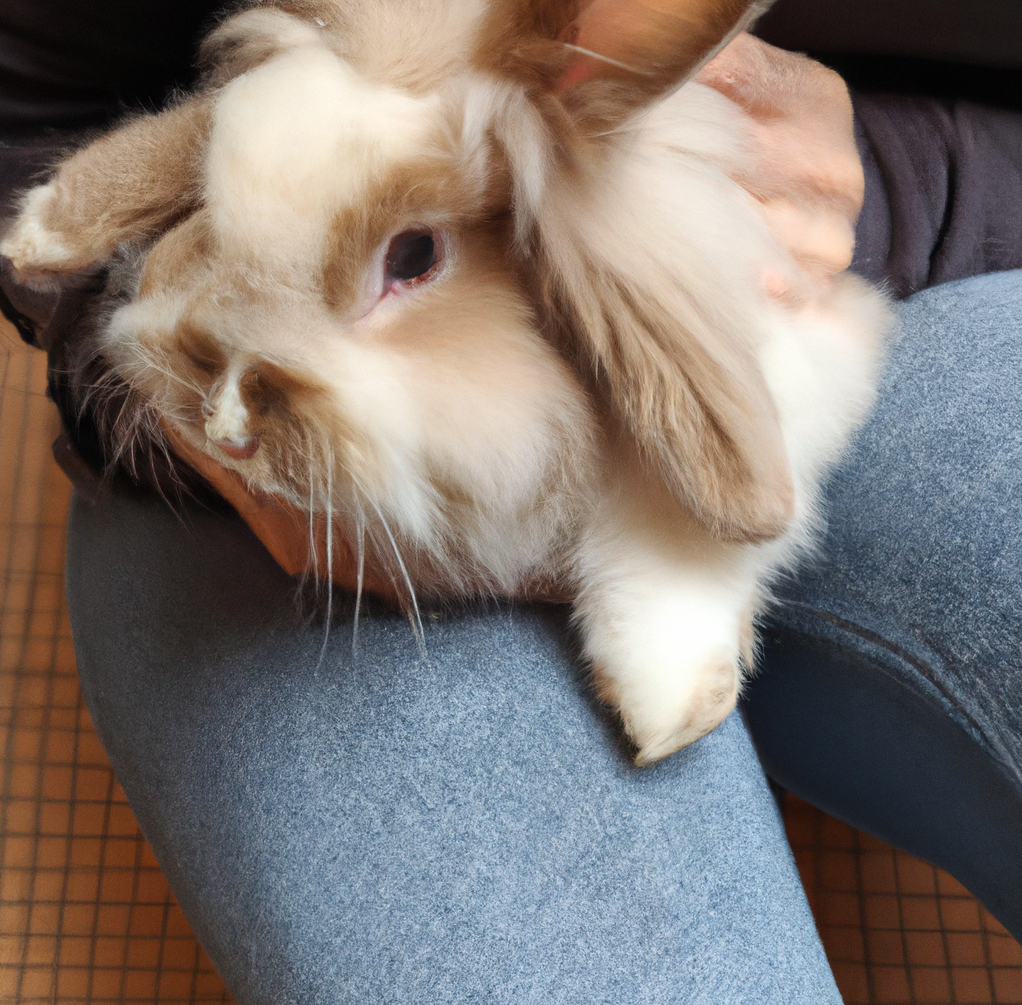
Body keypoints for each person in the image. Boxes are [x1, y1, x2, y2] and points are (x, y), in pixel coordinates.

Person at [1, 1, 1020, 1001]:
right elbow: (36, 128)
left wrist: (797, 225)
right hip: (247, 440)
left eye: (405, 257)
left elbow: (745, 441)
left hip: (886, 287)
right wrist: (155, 380)